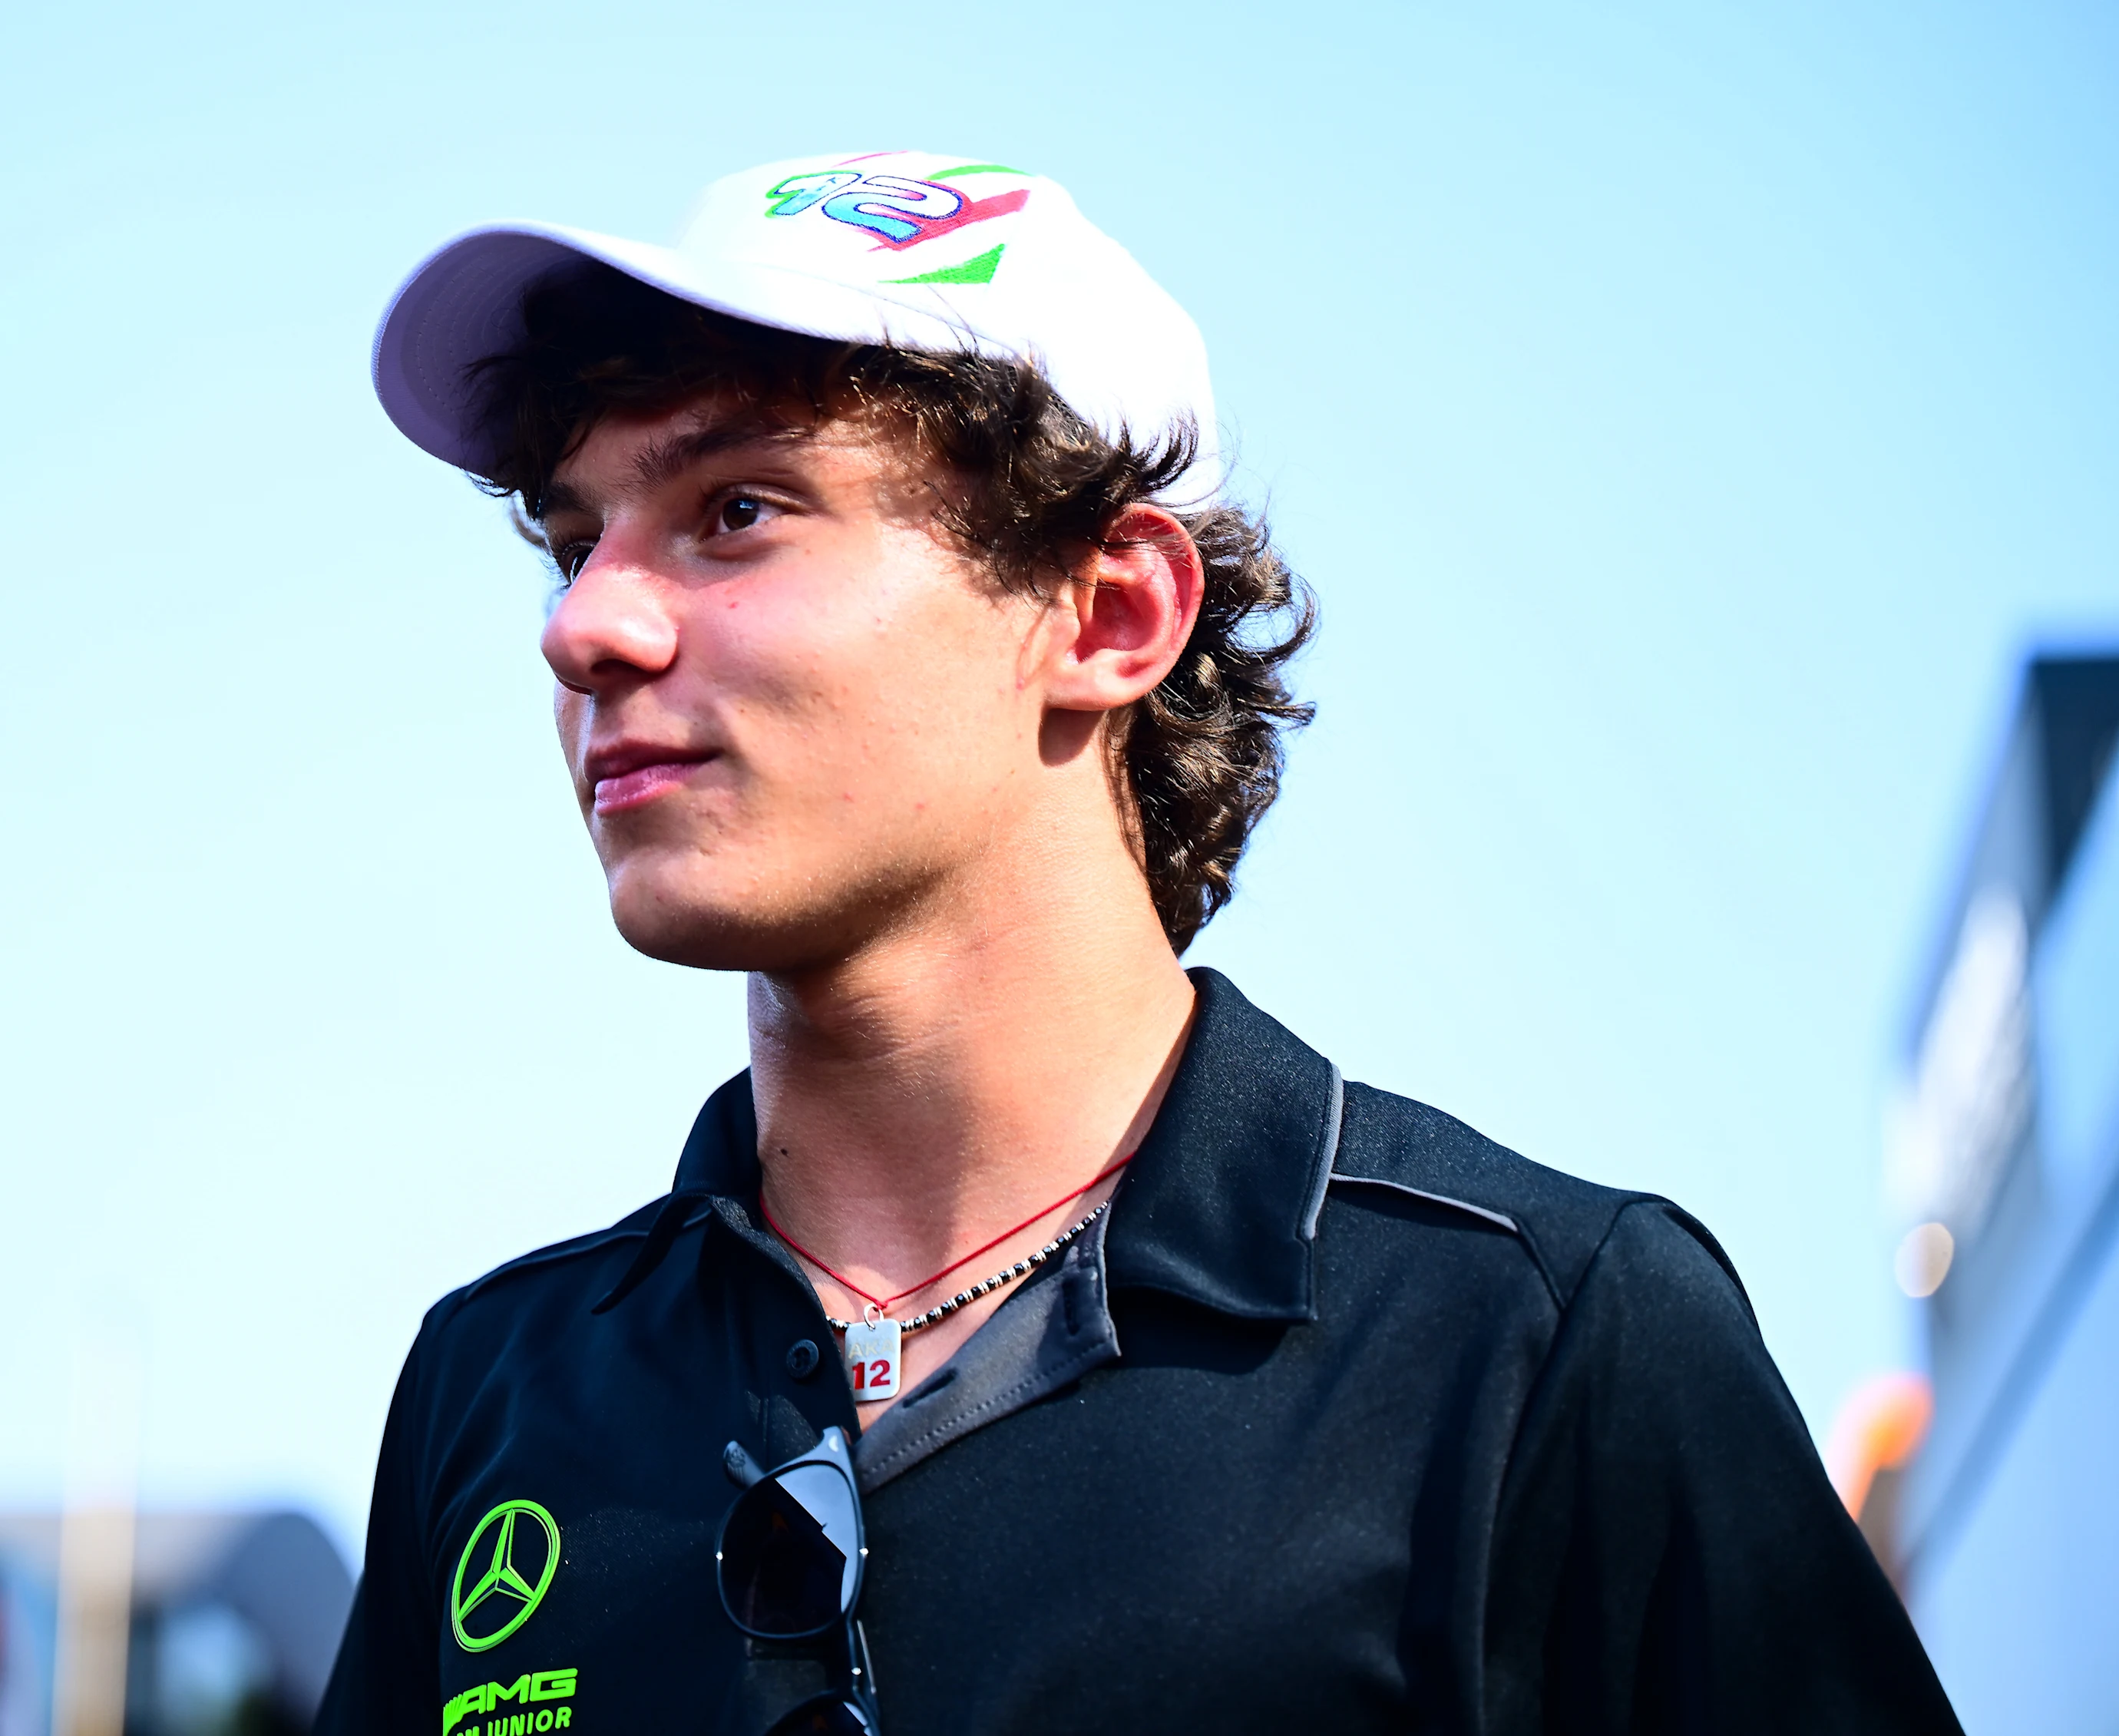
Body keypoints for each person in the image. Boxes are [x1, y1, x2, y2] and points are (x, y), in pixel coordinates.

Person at [318, 152, 1959, 1735]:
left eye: (736, 509)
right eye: (572, 536)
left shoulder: (1539, 1337)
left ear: (1105, 615)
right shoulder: (498, 1389)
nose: (584, 623)